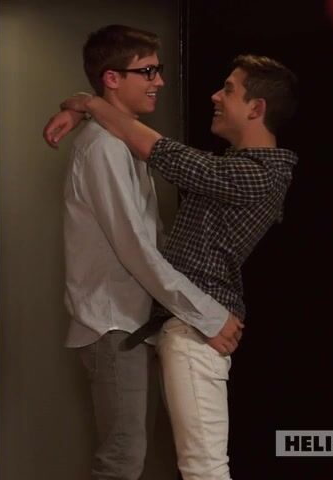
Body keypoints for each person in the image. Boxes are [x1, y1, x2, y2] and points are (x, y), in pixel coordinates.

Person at [45, 54, 299, 480]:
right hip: (189, 321)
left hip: (198, 325)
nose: (215, 96)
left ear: (256, 109)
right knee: (194, 464)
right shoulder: (238, 166)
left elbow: (160, 151)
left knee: (204, 468)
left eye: (229, 90)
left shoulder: (254, 174)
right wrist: (83, 105)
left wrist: (86, 104)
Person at [62, 25, 239, 480]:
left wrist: (82, 103)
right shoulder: (103, 149)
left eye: (157, 70)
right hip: (112, 323)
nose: (159, 81)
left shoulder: (123, 142)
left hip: (134, 323)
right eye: (147, 71)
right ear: (112, 79)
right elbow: (136, 251)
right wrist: (208, 314)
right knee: (122, 459)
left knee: (130, 456)